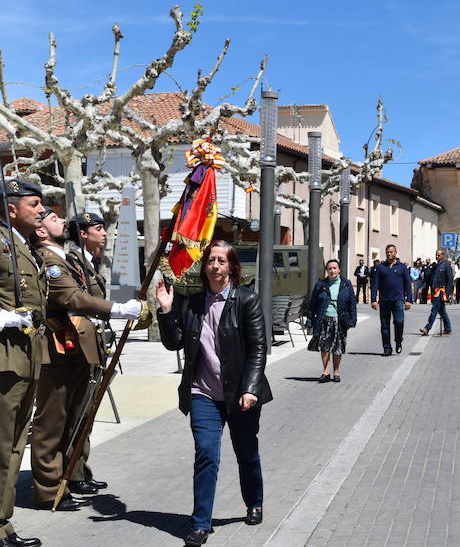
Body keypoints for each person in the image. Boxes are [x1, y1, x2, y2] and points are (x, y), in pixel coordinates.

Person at [156, 240, 273, 546]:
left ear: (231, 268)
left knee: (246, 453)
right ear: (204, 266)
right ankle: (200, 524)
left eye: (222, 261)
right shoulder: (192, 303)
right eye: (211, 260)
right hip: (202, 392)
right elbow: (175, 342)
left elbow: (259, 348)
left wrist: (250, 389)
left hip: (240, 394)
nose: (216, 266)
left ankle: (255, 501)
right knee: (206, 454)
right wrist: (167, 310)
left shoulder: (246, 299)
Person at [30, 211, 147, 511]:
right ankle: (48, 490)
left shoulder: (65, 258)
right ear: (41, 232)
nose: (61, 221)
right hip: (56, 349)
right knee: (52, 422)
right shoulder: (48, 260)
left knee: (76, 417)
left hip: (75, 348)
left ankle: (71, 476)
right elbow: (73, 299)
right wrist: (118, 310)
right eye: (52, 218)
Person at [0, 178, 46, 547]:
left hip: (26, 357)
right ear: (11, 207)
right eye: (34, 204)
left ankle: (2, 523)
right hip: (4, 358)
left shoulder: (21, 245)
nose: (41, 210)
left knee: (15, 446)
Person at [307, 260, 357, 383]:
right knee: (324, 346)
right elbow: (312, 304)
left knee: (338, 347)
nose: (332, 271)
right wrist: (309, 319)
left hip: (340, 320)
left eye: (335, 268)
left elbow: (352, 304)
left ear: (339, 270)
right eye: (330, 268)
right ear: (327, 270)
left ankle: (336, 371)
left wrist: (352, 320)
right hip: (324, 318)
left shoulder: (346, 284)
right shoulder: (321, 285)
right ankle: (326, 371)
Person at [370, 244, 413, 356]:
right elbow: (374, 284)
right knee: (384, 326)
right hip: (384, 300)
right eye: (387, 252)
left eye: (391, 252)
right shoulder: (380, 267)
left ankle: (398, 341)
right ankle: (387, 348)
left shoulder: (402, 267)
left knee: (399, 321)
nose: (389, 254)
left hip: (398, 300)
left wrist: (409, 300)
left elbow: (408, 283)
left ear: (395, 253)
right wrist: (373, 299)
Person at [420, 249, 453, 336]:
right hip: (435, 290)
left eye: (438, 255)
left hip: (441, 291)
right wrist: (429, 266)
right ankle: (448, 328)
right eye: (436, 255)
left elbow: (450, 280)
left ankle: (427, 328)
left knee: (434, 309)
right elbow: (428, 276)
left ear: (442, 255)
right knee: (442, 311)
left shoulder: (446, 265)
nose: (436, 257)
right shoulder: (435, 265)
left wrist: (448, 293)